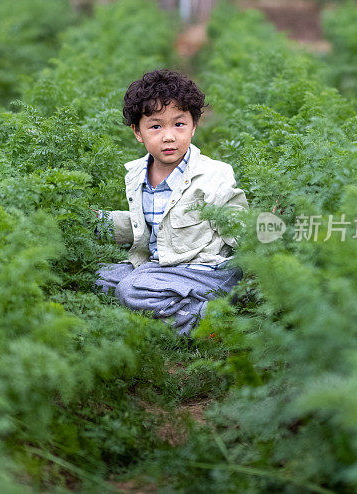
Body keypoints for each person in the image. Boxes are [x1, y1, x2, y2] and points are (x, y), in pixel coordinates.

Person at [94, 69, 248, 336]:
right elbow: (145, 224)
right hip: (163, 266)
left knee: (131, 289)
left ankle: (206, 320)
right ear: (138, 132)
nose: (168, 136)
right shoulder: (137, 174)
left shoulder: (212, 175)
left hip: (206, 269)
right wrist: (95, 222)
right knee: (100, 278)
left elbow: (236, 222)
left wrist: (261, 251)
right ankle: (186, 310)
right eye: (156, 126)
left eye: (179, 124)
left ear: (193, 126)